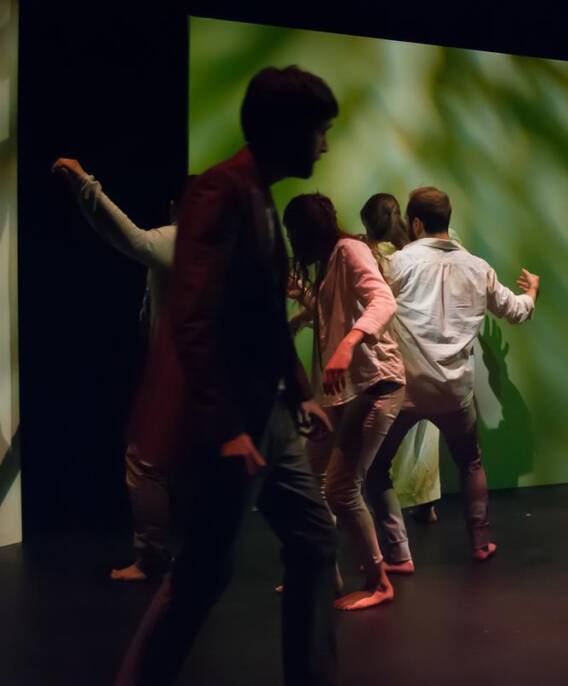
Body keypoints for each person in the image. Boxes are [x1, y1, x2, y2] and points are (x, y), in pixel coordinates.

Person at [115, 66, 340, 686]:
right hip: (230, 422)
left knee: (315, 542)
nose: (324, 144)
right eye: (319, 130)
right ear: (288, 131)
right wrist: (225, 427)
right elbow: (192, 318)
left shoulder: (258, 195)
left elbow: (265, 315)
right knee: (202, 573)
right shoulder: (220, 192)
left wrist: (298, 392)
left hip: (263, 415)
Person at [365, 186, 540, 569]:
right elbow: (516, 311)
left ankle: (398, 553)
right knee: (471, 462)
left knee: (376, 468)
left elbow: (370, 306)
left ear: (415, 223)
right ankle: (480, 543)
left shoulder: (399, 265)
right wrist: (533, 293)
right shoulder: (478, 268)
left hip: (406, 391)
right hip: (455, 393)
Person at [51, 157, 180, 581]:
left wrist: (84, 183)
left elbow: (131, 239)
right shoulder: (227, 247)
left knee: (144, 462)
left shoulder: (182, 240)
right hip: (204, 375)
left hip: (181, 374)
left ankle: (154, 558)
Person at [283, 192, 405, 611]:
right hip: (345, 392)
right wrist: (303, 307)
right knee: (308, 477)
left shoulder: (350, 251)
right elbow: (334, 307)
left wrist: (350, 343)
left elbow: (383, 300)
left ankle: (379, 582)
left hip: (377, 386)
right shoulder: (330, 260)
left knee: (340, 487)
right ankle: (322, 570)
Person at [359, 193, 441, 524]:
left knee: (386, 434)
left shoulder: (376, 259)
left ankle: (384, 501)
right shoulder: (419, 253)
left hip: (392, 351)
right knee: (424, 435)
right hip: (429, 349)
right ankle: (424, 501)